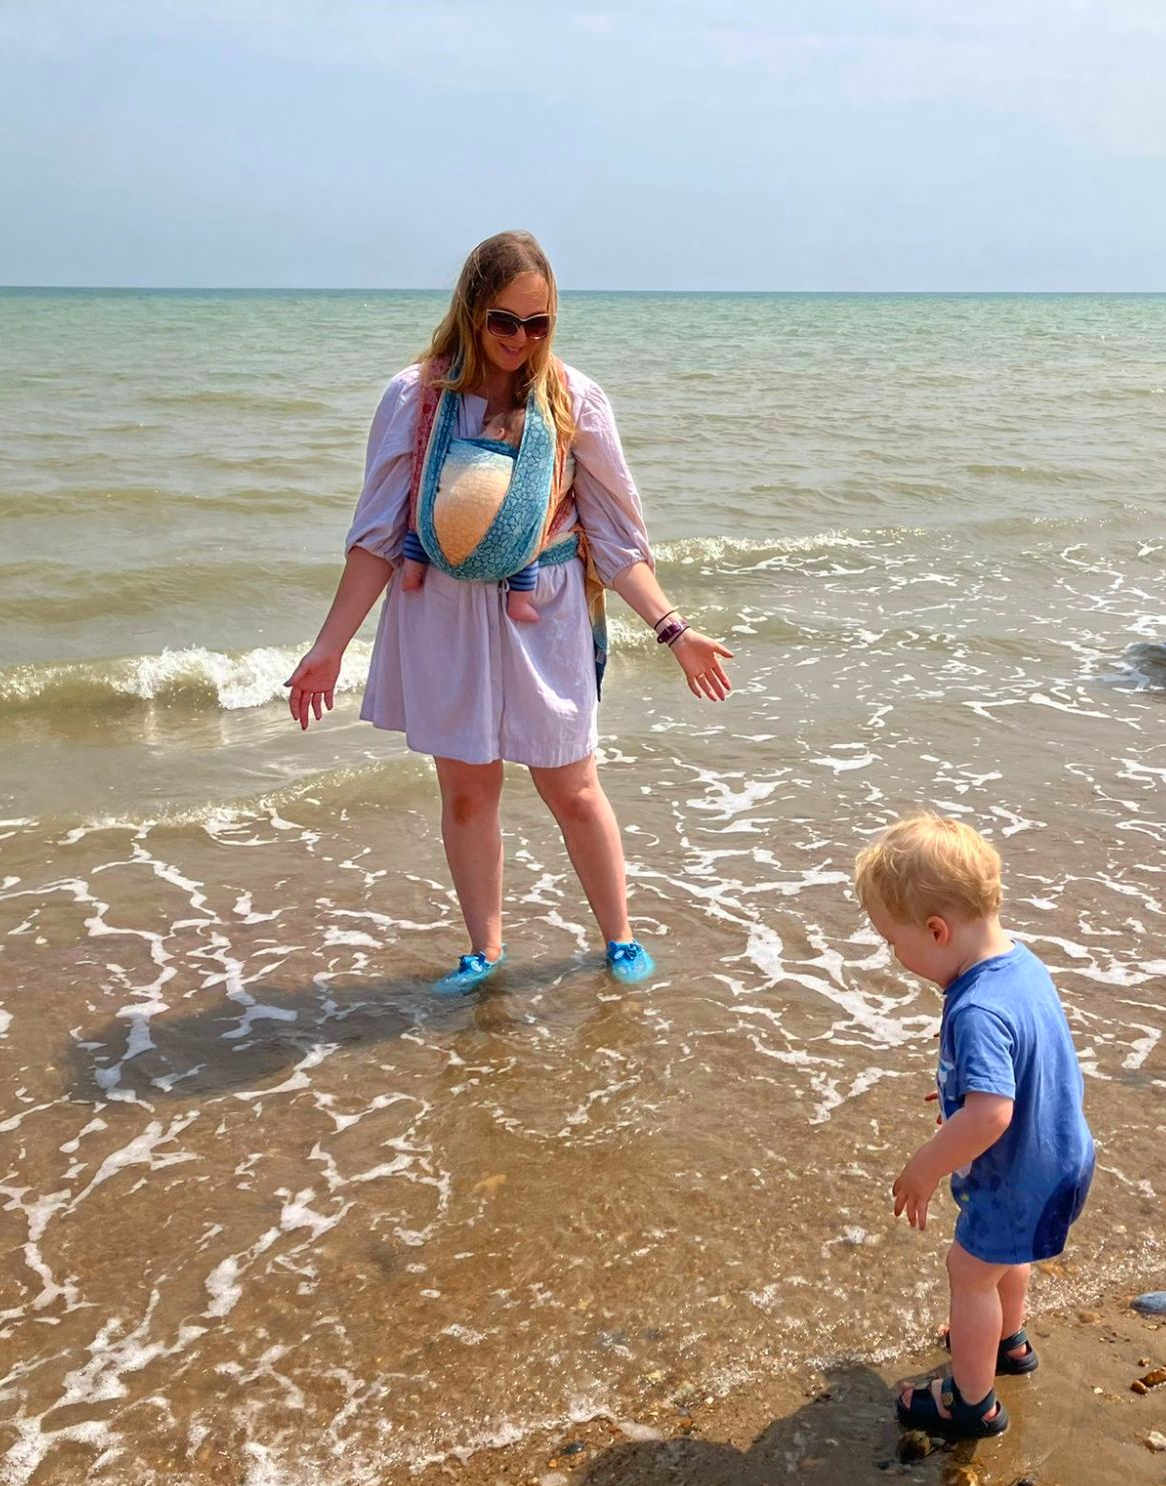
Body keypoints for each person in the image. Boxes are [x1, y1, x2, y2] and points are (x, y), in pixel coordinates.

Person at [285, 230, 734, 993]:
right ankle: (484, 951)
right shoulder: (415, 397)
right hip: (442, 611)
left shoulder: (574, 400)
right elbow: (377, 536)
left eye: (539, 324)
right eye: (504, 322)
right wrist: (329, 647)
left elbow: (619, 542)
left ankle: (618, 939)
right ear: (470, 311)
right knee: (467, 790)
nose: (520, 341)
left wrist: (675, 631)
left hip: (547, 609)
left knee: (572, 786)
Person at [853, 814, 1094, 1441]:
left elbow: (992, 1113)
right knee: (1002, 1257)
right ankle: (1007, 1342)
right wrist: (961, 1087)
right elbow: (1025, 1061)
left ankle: (973, 1403)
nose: (893, 954)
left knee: (969, 1269)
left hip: (1018, 1175)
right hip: (1060, 1157)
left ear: (937, 930)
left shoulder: (975, 1007)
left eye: (892, 941)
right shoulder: (1021, 965)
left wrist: (926, 1164)